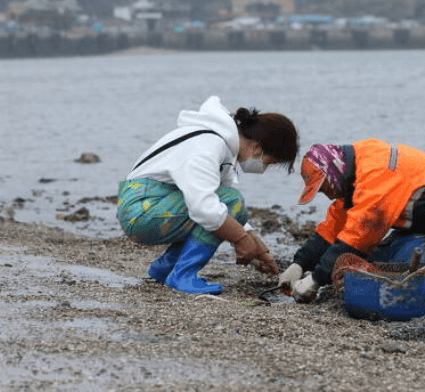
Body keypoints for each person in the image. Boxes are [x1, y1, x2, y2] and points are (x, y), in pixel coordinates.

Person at [278, 139, 425, 304]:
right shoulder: (354, 175)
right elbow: (333, 228)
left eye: (323, 187)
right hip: (423, 219)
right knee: (370, 263)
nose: (326, 194)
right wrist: (299, 263)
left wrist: (316, 279)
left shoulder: (375, 174)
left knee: (422, 268)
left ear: (334, 172)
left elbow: (356, 235)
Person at [117, 96, 299, 294]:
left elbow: (227, 210)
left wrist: (257, 247)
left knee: (225, 204)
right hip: (141, 211)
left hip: (148, 206)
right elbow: (205, 208)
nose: (264, 169)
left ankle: (165, 269)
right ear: (257, 148)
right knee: (224, 203)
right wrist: (240, 239)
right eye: (269, 162)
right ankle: (182, 275)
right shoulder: (208, 146)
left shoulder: (222, 147)